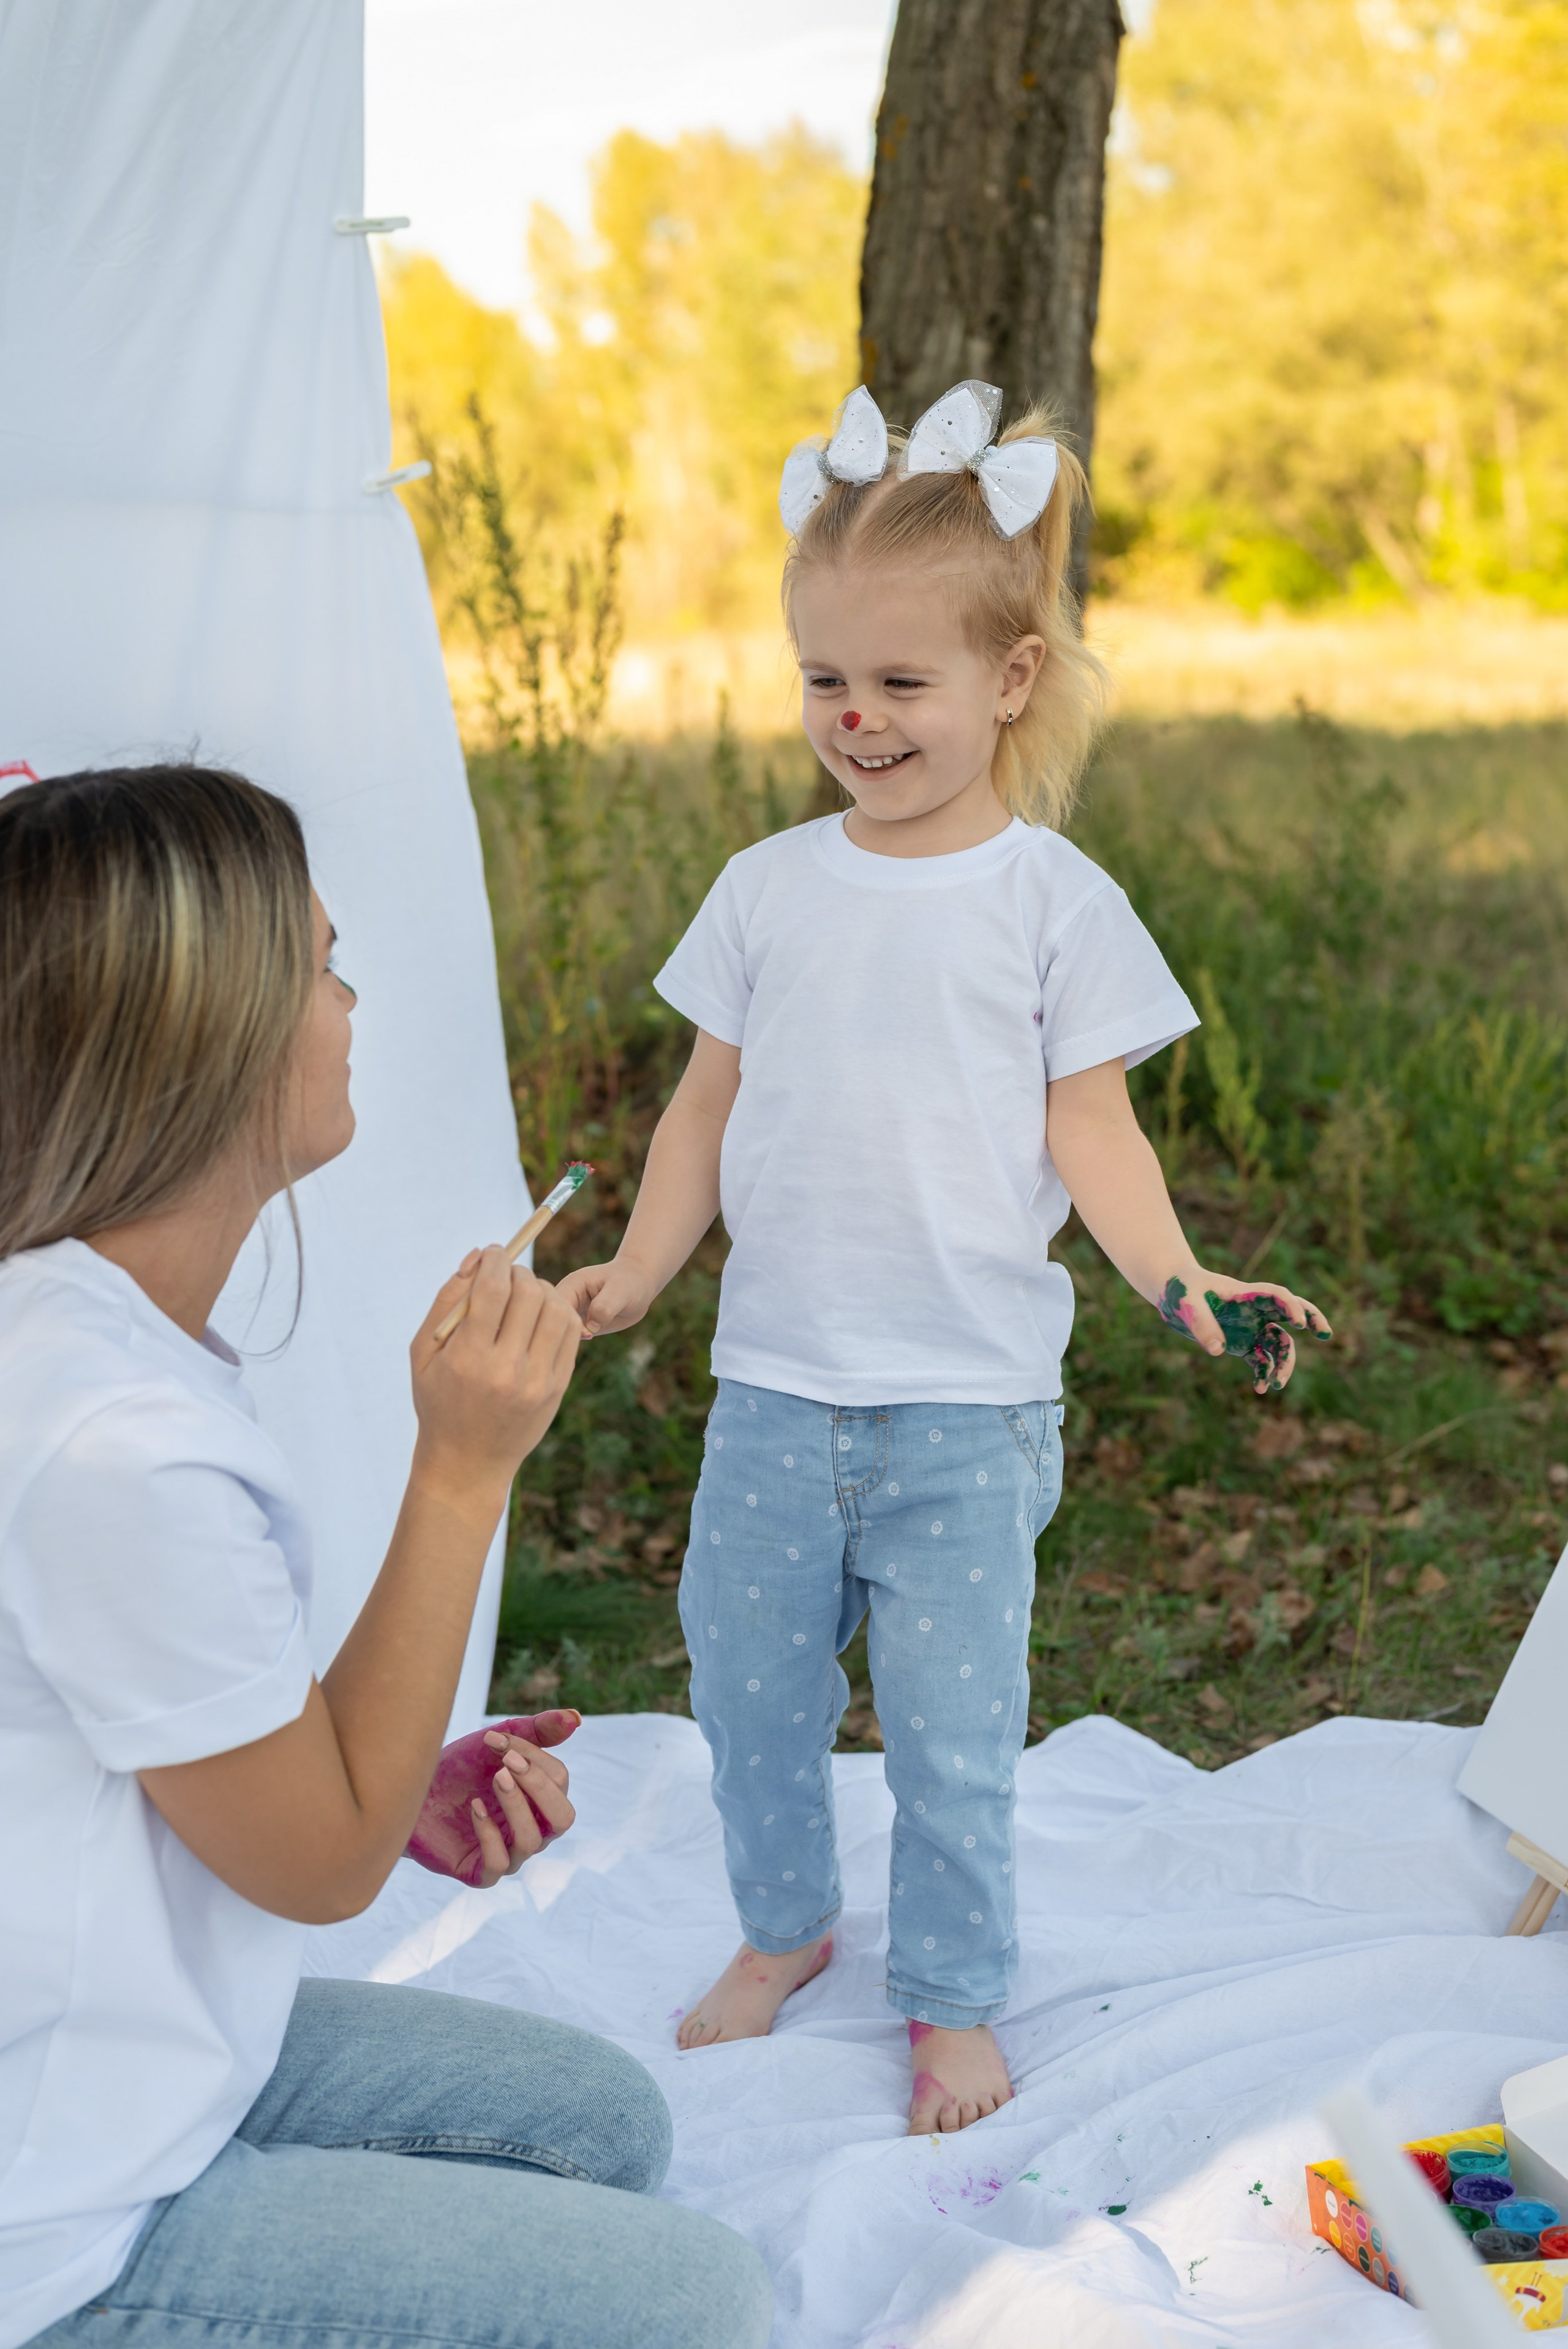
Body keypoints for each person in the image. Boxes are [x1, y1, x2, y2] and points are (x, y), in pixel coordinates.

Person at [560, 382, 1332, 2136]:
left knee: (952, 1737)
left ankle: (956, 1996)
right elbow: (701, 1112)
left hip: (965, 1414)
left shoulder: (1055, 904)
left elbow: (1097, 1135)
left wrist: (1186, 1289)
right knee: (747, 1694)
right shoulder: (764, 889)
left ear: (1010, 679)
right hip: (775, 1392)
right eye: (825, 678)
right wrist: (640, 1271)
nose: (859, 716)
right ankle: (785, 1927)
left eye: (902, 682)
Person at [0, 765, 771, 2349]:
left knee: (601, 2125)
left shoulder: (95, 1330)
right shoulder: (110, 1439)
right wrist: (464, 1468)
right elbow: (323, 1870)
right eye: (323, 963)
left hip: (130, 2030)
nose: (351, 1002)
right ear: (206, 1036)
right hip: (52, 2204)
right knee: (696, 2305)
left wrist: (377, 1772)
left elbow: (173, 1733)